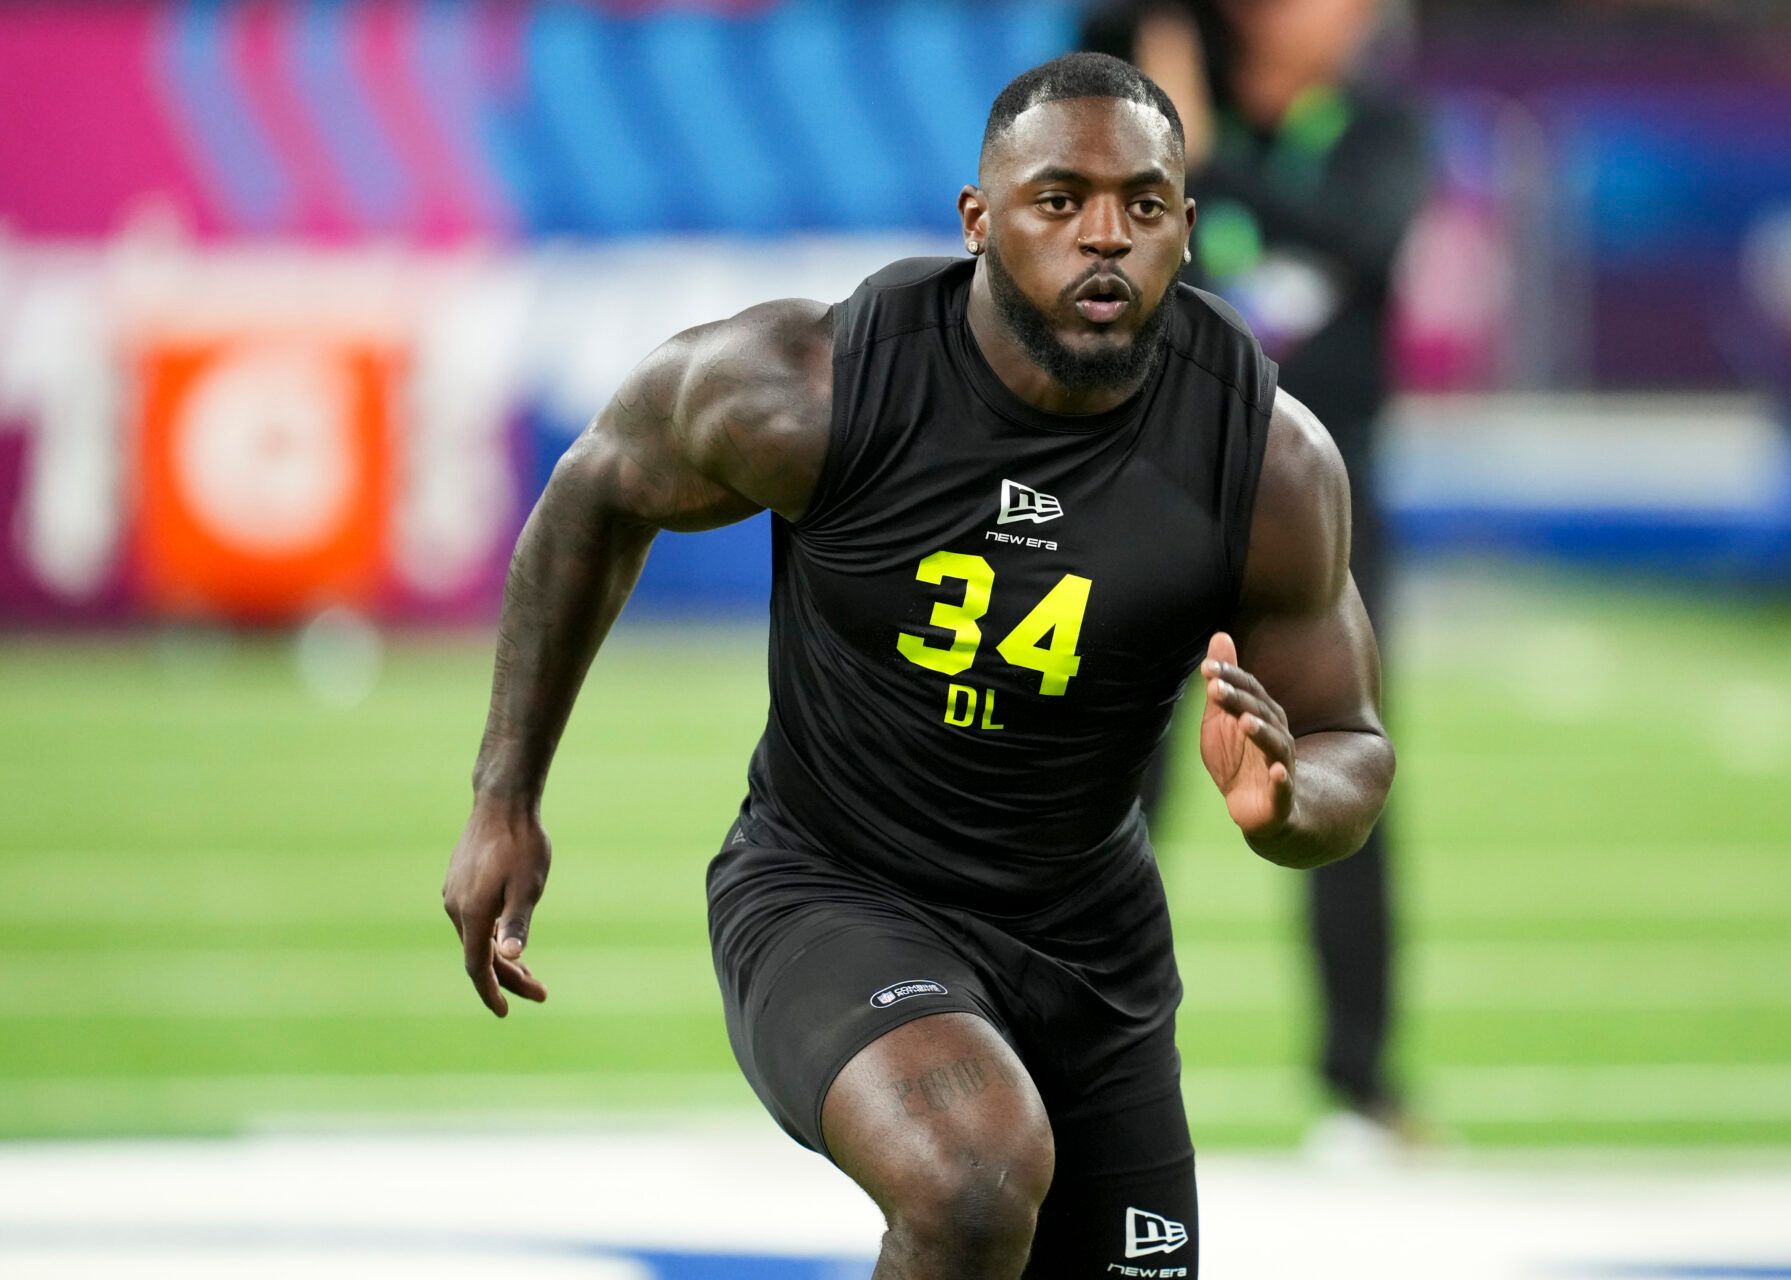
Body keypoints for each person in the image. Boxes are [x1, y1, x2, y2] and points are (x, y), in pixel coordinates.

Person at [442, 52, 1392, 1278]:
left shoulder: (1264, 459)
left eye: (1143, 206)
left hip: (1090, 944)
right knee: (975, 1174)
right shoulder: (816, 383)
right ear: (979, 219)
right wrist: (505, 794)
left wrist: (1287, 802)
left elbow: (1348, 740)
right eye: (1060, 201)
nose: (1104, 237)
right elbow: (596, 490)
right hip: (836, 893)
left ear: (1188, 226)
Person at [1085, 0, 1430, 1150]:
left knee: (1345, 772)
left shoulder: (1378, 129)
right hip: (1165, 489)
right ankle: (1057, 1052)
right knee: (1112, 785)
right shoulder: (1163, 117)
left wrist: (1204, 155)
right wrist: (1169, 112)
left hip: (1324, 508)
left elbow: (1356, 242)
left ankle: (1361, 1086)